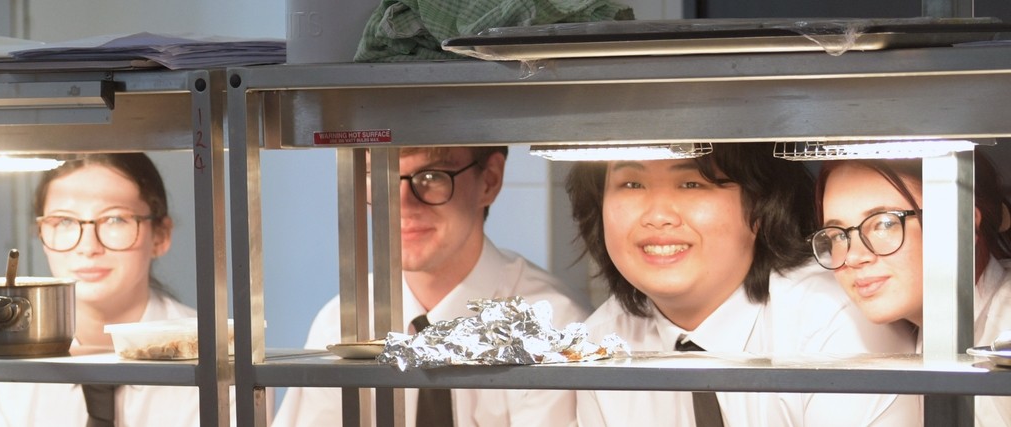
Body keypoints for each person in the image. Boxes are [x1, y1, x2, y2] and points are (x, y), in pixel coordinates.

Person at [566, 143, 916, 426]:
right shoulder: (600, 343)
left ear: (761, 207)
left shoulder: (833, 322)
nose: (657, 216)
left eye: (691, 184)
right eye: (631, 184)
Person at [275, 146, 592, 427]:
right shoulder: (340, 324)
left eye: (431, 176)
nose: (402, 203)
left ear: (489, 180)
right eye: (380, 176)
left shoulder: (554, 328)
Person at [0, 153, 207, 425]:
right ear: (41, 234)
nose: (88, 247)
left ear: (161, 236)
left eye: (115, 219)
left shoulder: (216, 354)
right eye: (64, 222)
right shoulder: (3, 368)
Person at [812, 157, 1011, 426]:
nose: (854, 256)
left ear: (962, 220)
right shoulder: (931, 336)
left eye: (883, 224)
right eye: (838, 235)